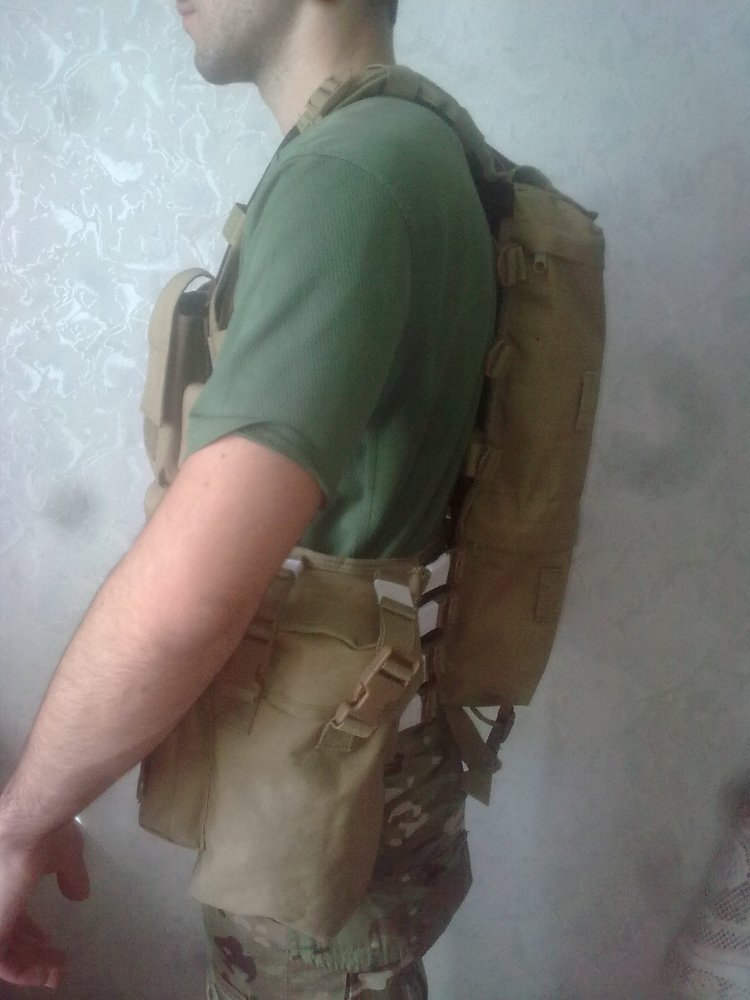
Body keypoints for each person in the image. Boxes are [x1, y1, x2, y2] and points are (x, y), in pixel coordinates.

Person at [0, 1, 496, 996]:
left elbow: (190, 597)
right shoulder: (419, 147)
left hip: (321, 786)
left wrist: (19, 824)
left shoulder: (347, 177)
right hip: (360, 762)